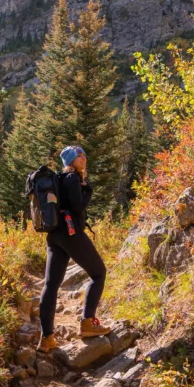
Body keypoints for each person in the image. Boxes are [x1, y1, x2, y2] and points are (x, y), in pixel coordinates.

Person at [37, 145, 111, 353]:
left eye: (84, 155)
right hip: (71, 233)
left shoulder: (58, 180)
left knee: (51, 285)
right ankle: (88, 323)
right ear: (69, 161)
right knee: (98, 273)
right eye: (78, 156)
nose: (83, 158)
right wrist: (88, 190)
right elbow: (78, 208)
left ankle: (47, 338)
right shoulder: (72, 179)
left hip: (55, 236)